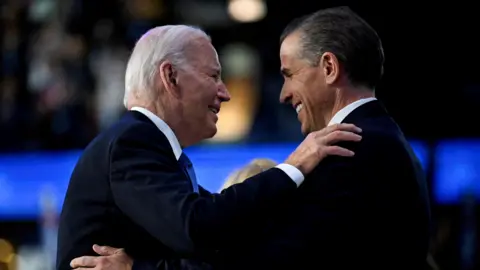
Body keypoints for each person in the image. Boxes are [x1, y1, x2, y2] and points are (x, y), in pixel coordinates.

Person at [71, 6, 431, 269]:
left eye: (288, 74)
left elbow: (264, 257)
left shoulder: (352, 147)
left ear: (329, 68)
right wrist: (290, 168)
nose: (282, 93)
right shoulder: (135, 141)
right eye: (213, 75)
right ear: (171, 77)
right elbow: (199, 225)